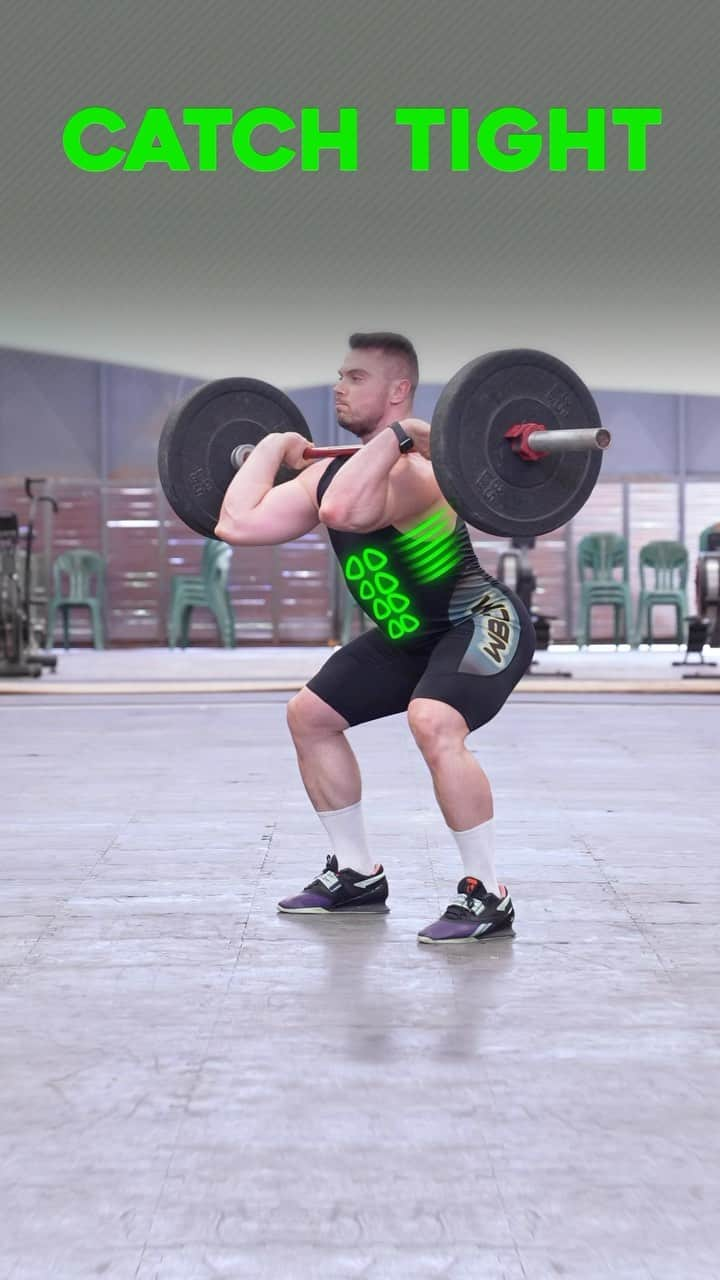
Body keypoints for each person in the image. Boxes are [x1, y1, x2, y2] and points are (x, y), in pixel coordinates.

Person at [215, 332, 535, 943]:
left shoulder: (418, 473)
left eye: (355, 377)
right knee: (309, 716)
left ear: (398, 391)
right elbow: (236, 522)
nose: (339, 385)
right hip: (407, 634)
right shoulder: (330, 473)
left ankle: (487, 893)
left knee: (433, 720)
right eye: (339, 374)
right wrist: (273, 445)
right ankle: (357, 873)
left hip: (478, 621)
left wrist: (399, 439)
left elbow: (347, 513)